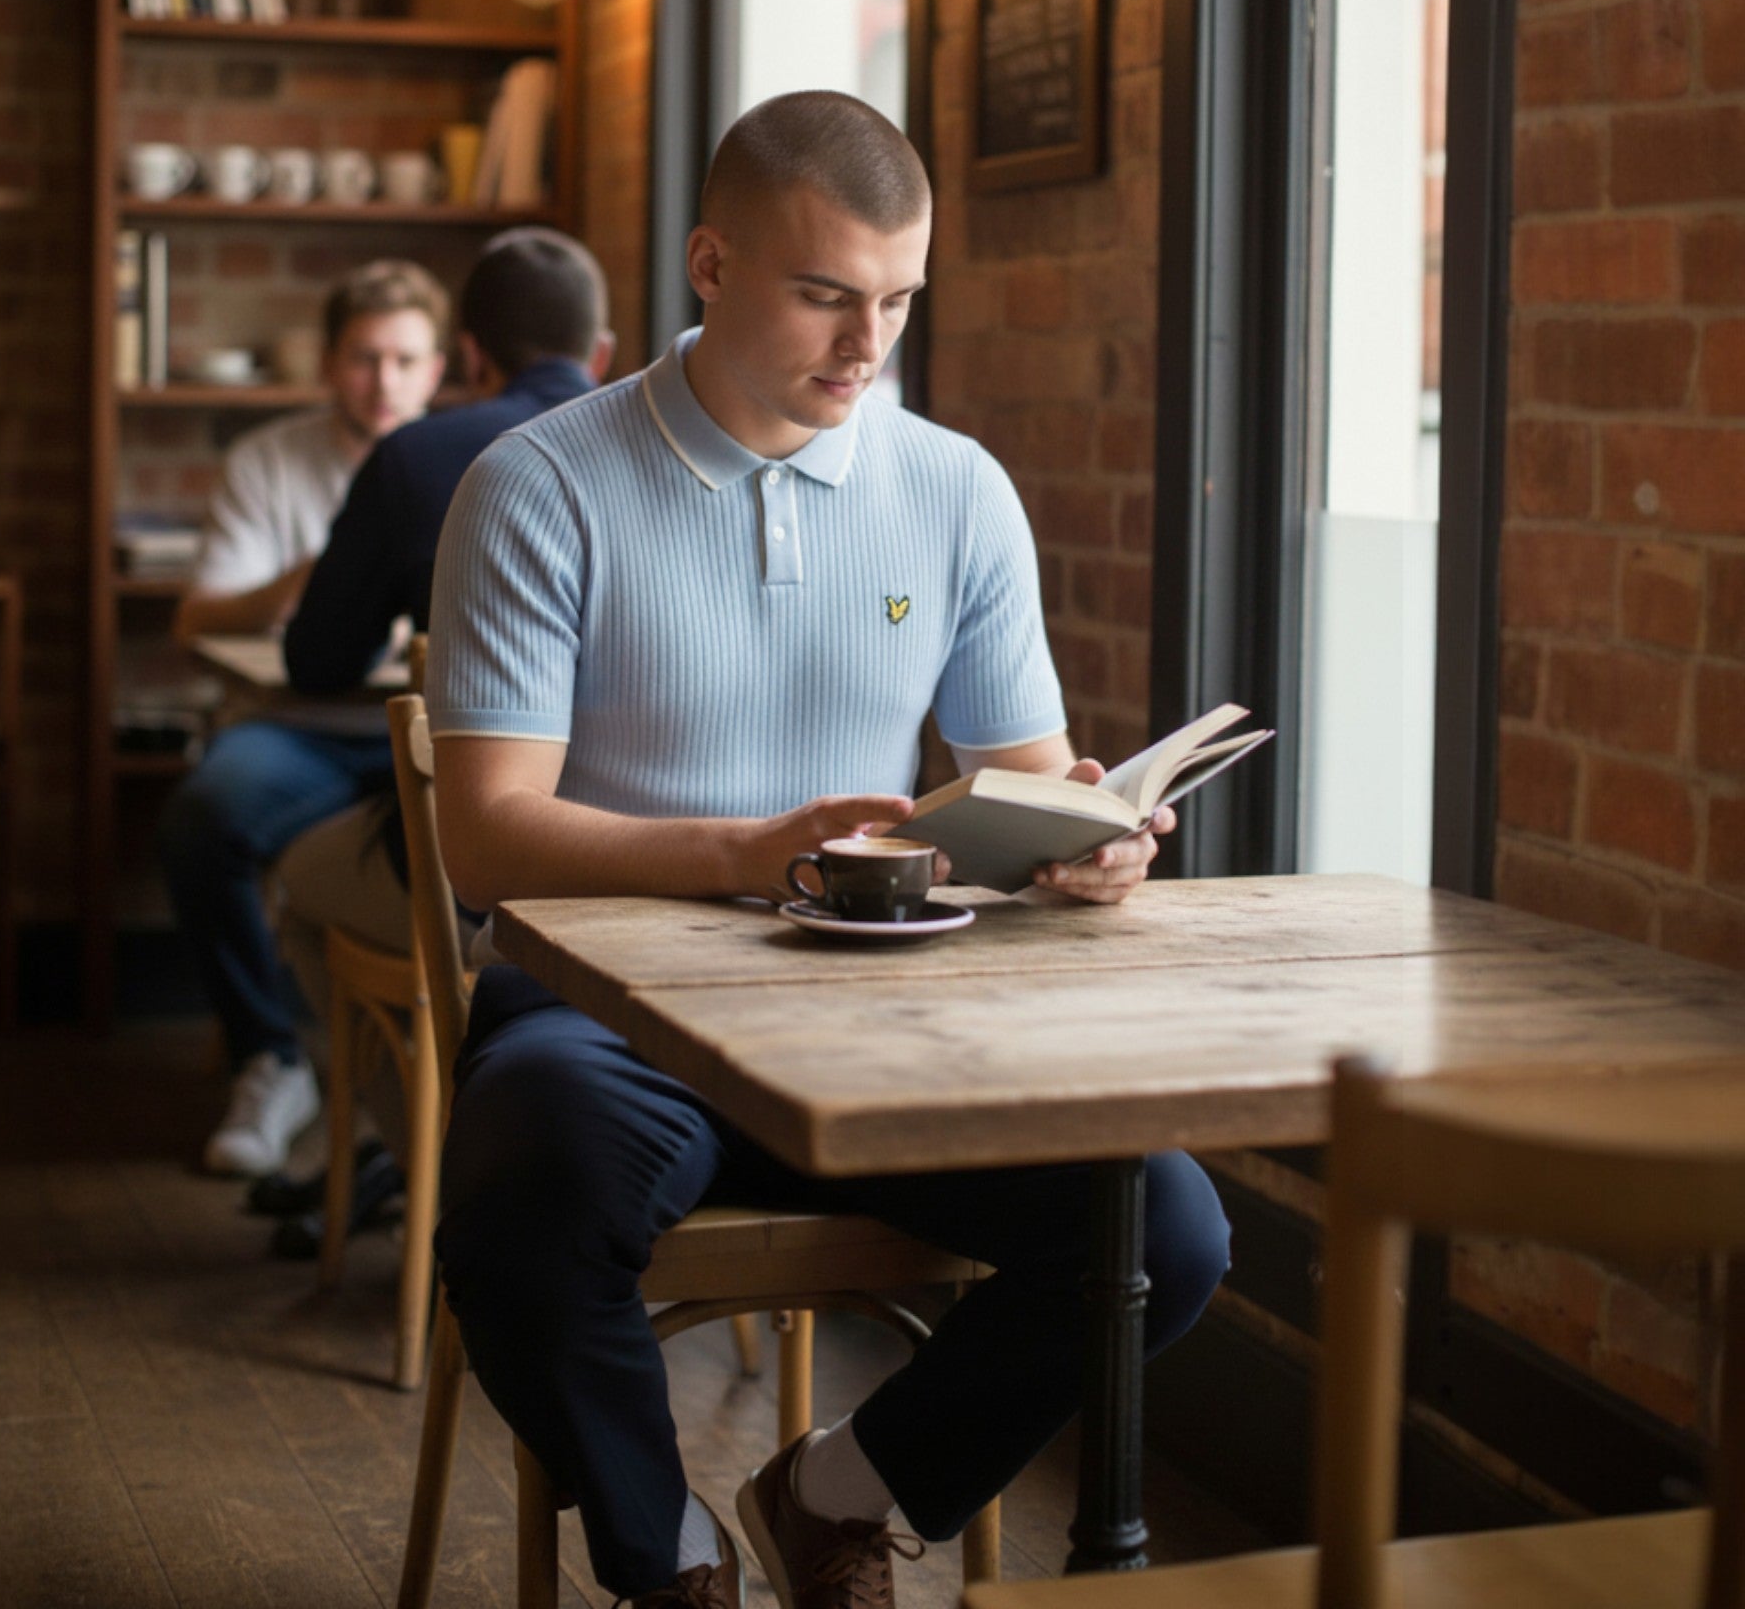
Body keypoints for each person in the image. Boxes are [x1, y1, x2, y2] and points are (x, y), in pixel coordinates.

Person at [424, 92, 1231, 1609]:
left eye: (899, 301)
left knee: (1166, 1231)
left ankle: (837, 1494)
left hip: (882, 1014)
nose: (869, 345)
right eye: (826, 295)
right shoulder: (538, 484)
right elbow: (484, 840)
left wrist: (1084, 842)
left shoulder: (954, 489)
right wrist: (753, 850)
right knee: (521, 1213)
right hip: (604, 1015)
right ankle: (669, 1565)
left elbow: (1023, 773)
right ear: (710, 264)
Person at [260, 228, 615, 1250]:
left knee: (300, 880)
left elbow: (317, 657)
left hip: (485, 865)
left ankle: (424, 1160)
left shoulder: (421, 454)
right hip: (656, 856)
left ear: (465, 355)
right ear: (601, 351)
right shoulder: (650, 451)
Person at [160, 259, 449, 1178]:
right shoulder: (269, 462)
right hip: (304, 727)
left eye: (406, 360)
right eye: (365, 359)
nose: (385, 381)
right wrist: (321, 583)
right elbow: (196, 618)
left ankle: (457, 1100)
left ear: (440, 368)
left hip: (436, 733)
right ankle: (269, 1058)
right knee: (205, 817)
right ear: (329, 364)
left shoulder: (464, 462)